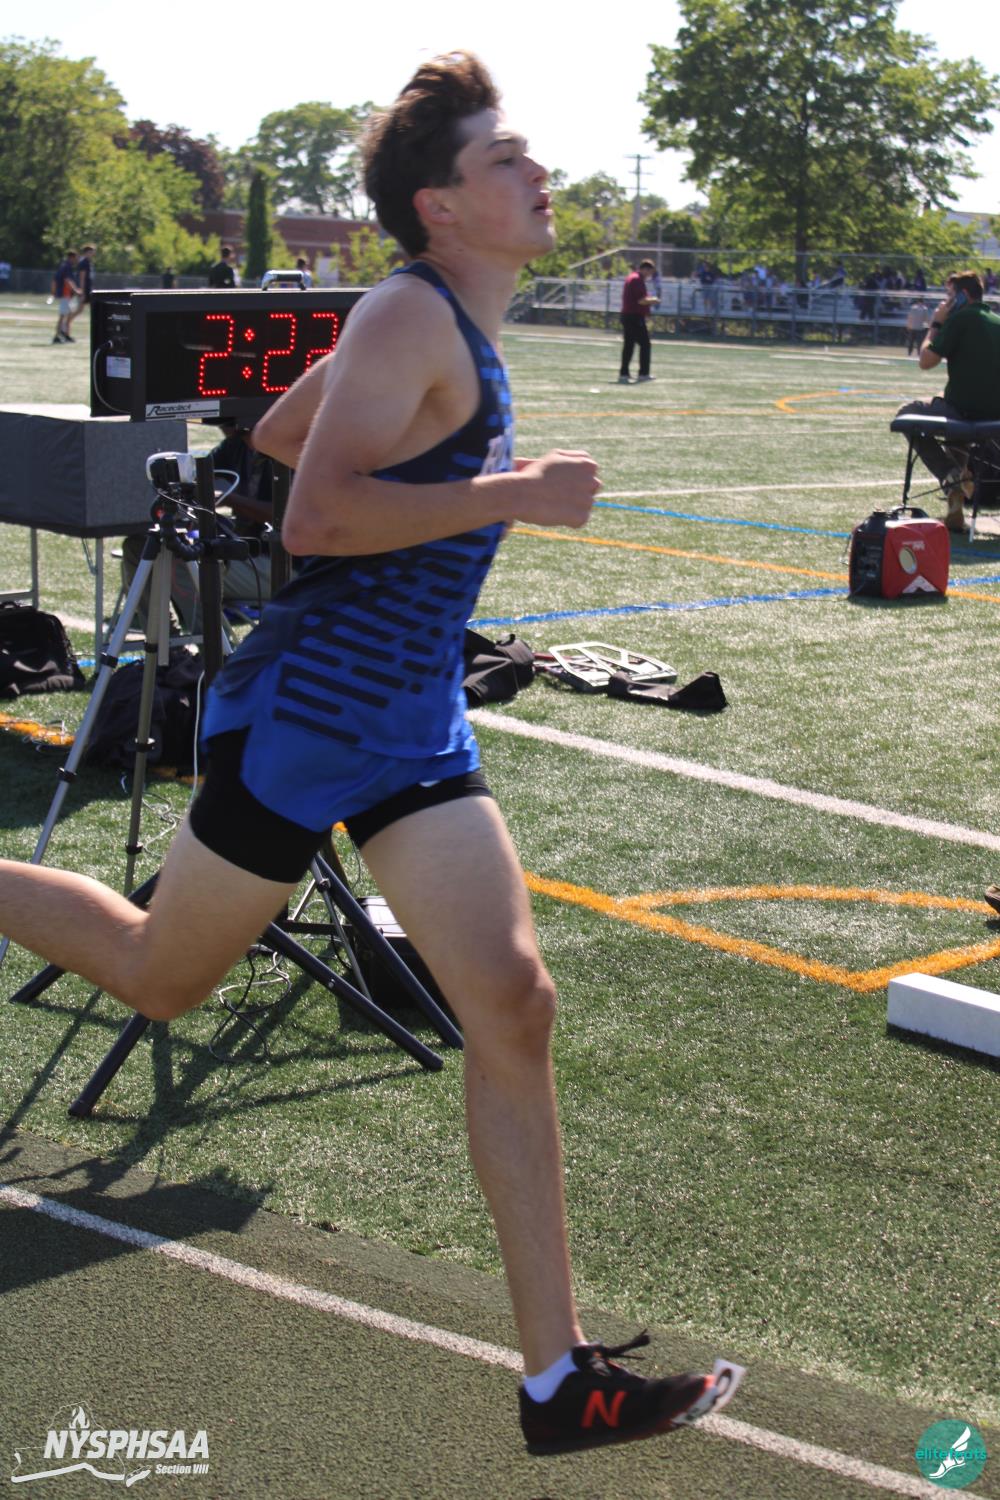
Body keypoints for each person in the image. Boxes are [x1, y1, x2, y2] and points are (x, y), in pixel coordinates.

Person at [0, 51, 738, 1454]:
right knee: (160, 977)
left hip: (408, 719)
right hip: (317, 716)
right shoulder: (410, 312)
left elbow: (285, 429)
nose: (539, 173)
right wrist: (518, 491)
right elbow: (316, 518)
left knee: (512, 1003)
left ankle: (557, 1381)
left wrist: (440, 467)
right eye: (505, 159)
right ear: (441, 206)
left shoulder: (436, 320)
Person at [119, 424, 274, 633]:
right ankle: (168, 646)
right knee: (137, 547)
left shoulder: (292, 449)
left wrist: (228, 499)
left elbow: (282, 514)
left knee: (181, 560)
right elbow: (197, 476)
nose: (223, 427)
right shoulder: (236, 445)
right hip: (242, 551)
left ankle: (213, 648)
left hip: (280, 564)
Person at [895, 270, 1000, 530]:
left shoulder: (960, 319)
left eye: (949, 295)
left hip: (963, 412)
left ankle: (952, 476)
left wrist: (936, 323)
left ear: (963, 296)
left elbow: (926, 361)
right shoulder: (997, 322)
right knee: (956, 427)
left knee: (906, 413)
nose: (946, 302)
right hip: (995, 416)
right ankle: (956, 503)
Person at [618, 258, 657, 383]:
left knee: (629, 345)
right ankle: (643, 373)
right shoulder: (637, 279)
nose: (650, 275)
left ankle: (624, 373)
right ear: (645, 269)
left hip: (628, 316)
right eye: (650, 272)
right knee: (645, 344)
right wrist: (654, 300)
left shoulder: (632, 277)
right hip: (634, 317)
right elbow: (641, 300)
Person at [50, 249, 80, 343]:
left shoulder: (64, 266)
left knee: (68, 314)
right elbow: (68, 280)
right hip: (65, 294)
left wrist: (53, 292)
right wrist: (76, 290)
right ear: (71, 257)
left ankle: (66, 334)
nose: (76, 260)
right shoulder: (67, 266)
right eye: (76, 258)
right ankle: (57, 336)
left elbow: (54, 280)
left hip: (67, 295)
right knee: (62, 316)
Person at [67, 244, 95, 335]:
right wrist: (83, 292)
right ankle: (66, 323)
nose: (92, 254)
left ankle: (67, 323)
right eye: (90, 252)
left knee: (83, 309)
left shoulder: (88, 262)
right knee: (81, 310)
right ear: (86, 253)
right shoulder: (84, 262)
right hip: (85, 290)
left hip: (88, 289)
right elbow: (82, 278)